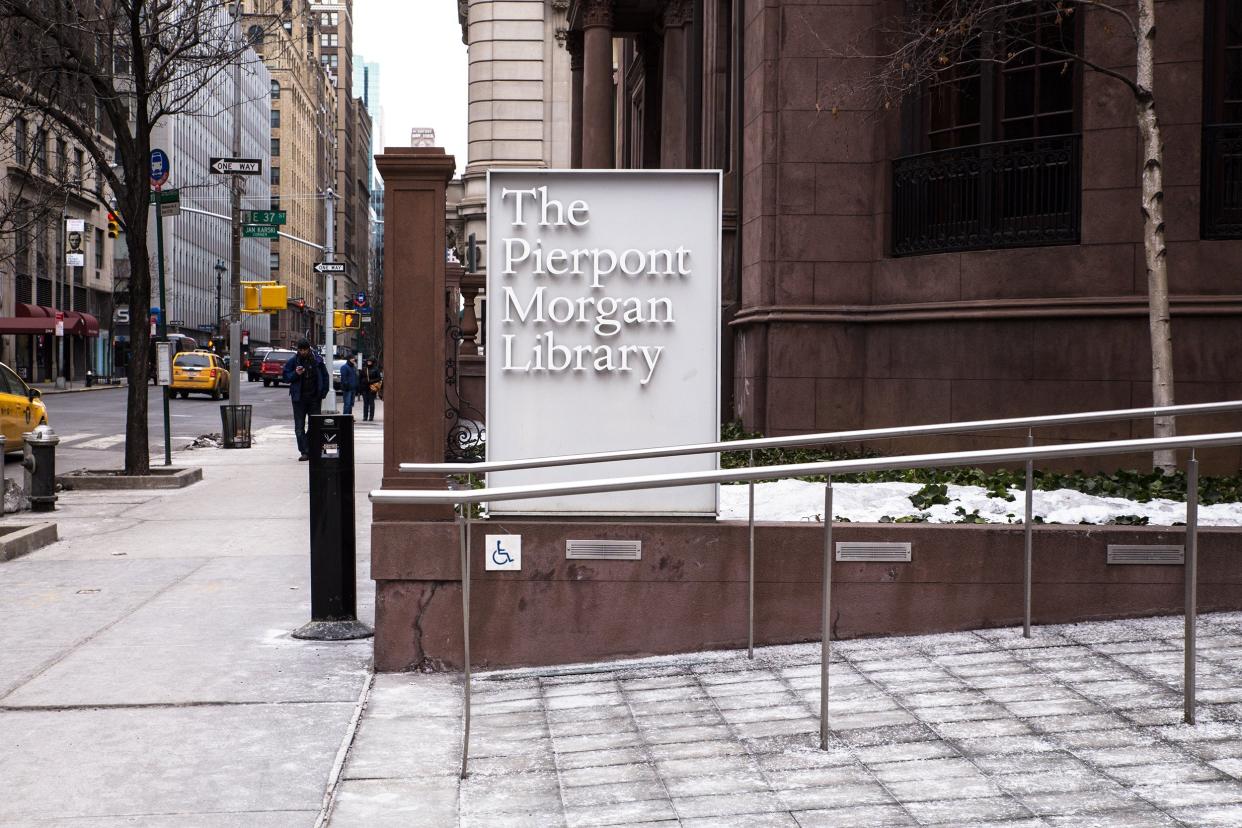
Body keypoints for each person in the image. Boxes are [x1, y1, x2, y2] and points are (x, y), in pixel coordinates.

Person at [282, 339, 330, 461]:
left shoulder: (317, 360)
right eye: (300, 349)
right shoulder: (294, 361)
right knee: (299, 426)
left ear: (309, 349)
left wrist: (323, 393)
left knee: (315, 425)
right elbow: (286, 377)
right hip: (299, 399)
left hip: (314, 398)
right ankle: (305, 451)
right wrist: (296, 374)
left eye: (304, 349)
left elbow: (325, 376)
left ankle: (309, 447)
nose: (302, 352)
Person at [360, 357, 382, 422]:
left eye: (370, 361)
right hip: (364, 388)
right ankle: (365, 416)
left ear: (372, 362)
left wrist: (371, 381)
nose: (369, 362)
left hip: (372, 388)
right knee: (365, 403)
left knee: (371, 403)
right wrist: (361, 385)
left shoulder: (376, 369)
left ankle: (371, 417)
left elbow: (379, 378)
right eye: (368, 361)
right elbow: (360, 378)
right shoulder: (364, 369)